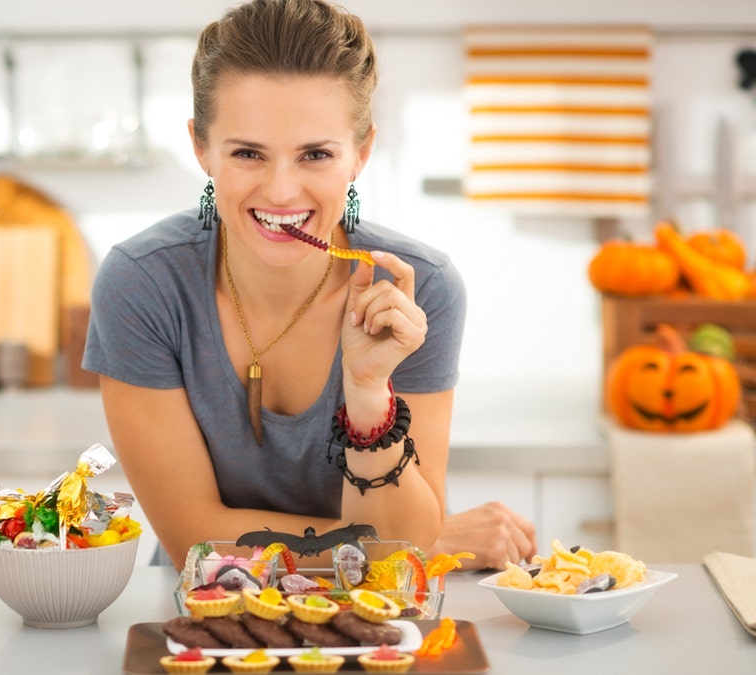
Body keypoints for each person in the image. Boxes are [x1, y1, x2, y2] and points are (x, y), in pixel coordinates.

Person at [82, 0, 531, 571]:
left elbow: (400, 550)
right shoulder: (142, 284)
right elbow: (193, 543)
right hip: (206, 623)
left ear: (361, 153)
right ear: (201, 148)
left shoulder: (419, 290)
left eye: (315, 155)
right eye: (248, 153)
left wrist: (369, 393)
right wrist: (401, 543)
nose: (281, 192)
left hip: (378, 629)